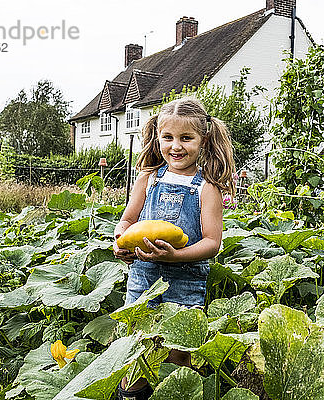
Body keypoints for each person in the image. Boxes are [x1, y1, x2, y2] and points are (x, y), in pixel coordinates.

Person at [112, 97, 235, 400]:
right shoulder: (148, 178)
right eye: (168, 137)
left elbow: (212, 242)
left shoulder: (207, 187)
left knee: (178, 358)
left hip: (186, 283)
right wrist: (121, 242)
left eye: (186, 138)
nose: (175, 146)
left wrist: (176, 256)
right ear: (157, 137)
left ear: (203, 140)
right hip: (143, 279)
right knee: (137, 352)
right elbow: (126, 221)